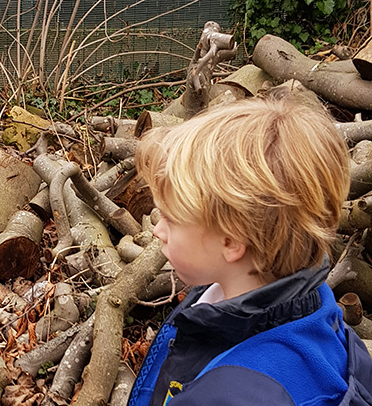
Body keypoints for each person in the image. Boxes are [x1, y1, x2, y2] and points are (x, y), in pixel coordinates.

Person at [127, 95, 372, 405]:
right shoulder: (311, 307)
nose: (157, 230)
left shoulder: (229, 397)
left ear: (231, 241)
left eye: (171, 219)